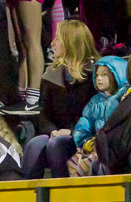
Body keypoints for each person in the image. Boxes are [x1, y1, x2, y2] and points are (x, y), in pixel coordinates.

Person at [23, 20, 100, 179]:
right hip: (57, 134)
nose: (52, 43)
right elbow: (43, 115)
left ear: (71, 43)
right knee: (35, 144)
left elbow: (95, 116)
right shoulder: (52, 75)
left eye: (57, 39)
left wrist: (70, 131)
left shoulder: (96, 76)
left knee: (56, 145)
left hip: (85, 137)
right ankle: (29, 201)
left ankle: (66, 198)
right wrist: (52, 130)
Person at [73, 56, 130, 152]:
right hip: (97, 149)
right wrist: (85, 141)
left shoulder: (125, 98)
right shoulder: (94, 102)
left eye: (104, 75)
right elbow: (84, 124)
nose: (99, 78)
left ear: (118, 75)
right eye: (97, 75)